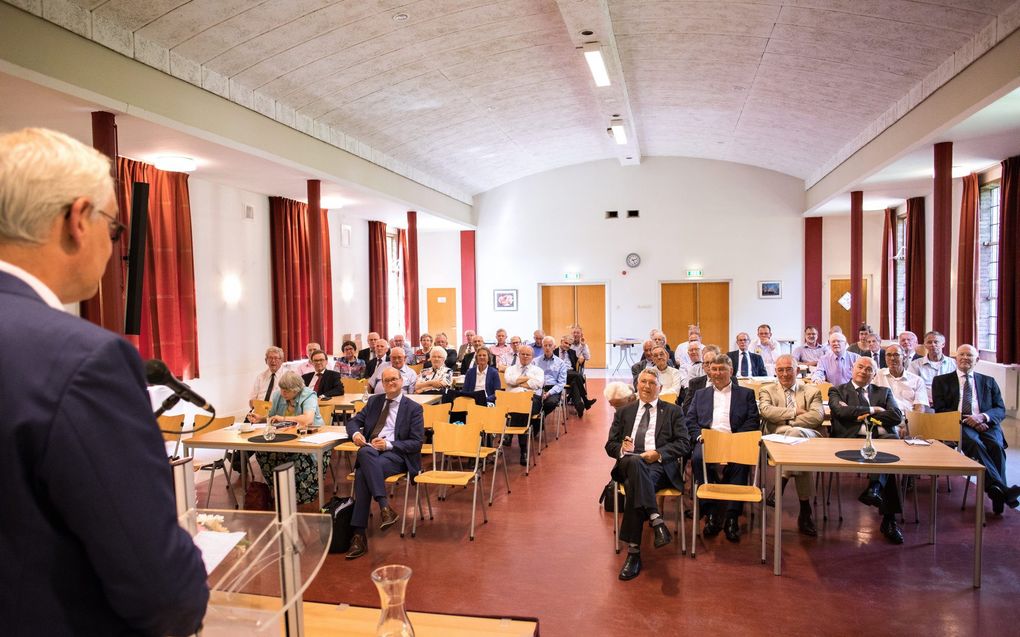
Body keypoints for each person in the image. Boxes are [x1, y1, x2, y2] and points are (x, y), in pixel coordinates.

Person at [0, 127, 208, 635]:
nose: (115, 247)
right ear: (77, 220)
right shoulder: (83, 360)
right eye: (114, 229)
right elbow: (163, 591)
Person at [605, 369, 691, 581]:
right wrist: (623, 449)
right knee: (634, 461)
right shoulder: (624, 412)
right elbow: (610, 445)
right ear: (637, 385)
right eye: (642, 381)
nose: (646, 386)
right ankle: (655, 518)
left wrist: (659, 453)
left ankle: (634, 553)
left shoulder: (673, 411)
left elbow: (683, 443)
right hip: (628, 462)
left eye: (652, 382)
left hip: (657, 466)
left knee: (635, 484)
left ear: (659, 388)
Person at [344, 367, 425, 560]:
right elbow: (353, 422)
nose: (390, 383)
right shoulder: (374, 402)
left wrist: (388, 444)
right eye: (386, 380)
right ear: (381, 384)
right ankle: (384, 507)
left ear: (402, 381)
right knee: (365, 453)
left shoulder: (413, 408)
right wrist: (356, 434)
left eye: (394, 379)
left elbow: (416, 442)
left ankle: (359, 534)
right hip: (371, 453)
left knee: (363, 470)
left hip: (396, 455)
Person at [932, 345, 1018, 515]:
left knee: (996, 447)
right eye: (961, 354)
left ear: (977, 360)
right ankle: (1001, 490)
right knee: (974, 443)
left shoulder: (988, 381)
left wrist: (982, 417)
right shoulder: (941, 381)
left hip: (987, 424)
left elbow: (1000, 409)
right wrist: (968, 419)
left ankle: (996, 492)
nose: (965, 358)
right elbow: (940, 410)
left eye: (969, 355)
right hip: (958, 423)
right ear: (955, 359)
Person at [828, 357, 904, 544]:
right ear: (852, 368)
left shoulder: (884, 392)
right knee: (887, 464)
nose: (863, 371)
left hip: (883, 437)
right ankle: (888, 516)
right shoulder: (838, 390)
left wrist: (861, 415)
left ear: (874, 374)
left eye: (868, 369)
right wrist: (874, 409)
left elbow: (896, 415)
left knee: (889, 451)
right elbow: (840, 412)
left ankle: (876, 490)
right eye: (860, 367)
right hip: (852, 439)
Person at [684, 354, 760, 542]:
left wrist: (735, 439)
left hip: (736, 439)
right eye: (714, 369)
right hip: (707, 440)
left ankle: (732, 516)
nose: (717, 373)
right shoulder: (700, 394)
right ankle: (710, 512)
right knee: (698, 459)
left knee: (740, 463)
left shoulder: (746, 394)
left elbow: (752, 421)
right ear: (709, 371)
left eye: (722, 369)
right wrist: (701, 436)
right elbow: (690, 420)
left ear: (731, 371)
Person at [757, 355, 824, 536]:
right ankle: (805, 510)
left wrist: (789, 425)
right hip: (776, 439)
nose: (785, 374)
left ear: (797, 370)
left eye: (789, 369)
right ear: (775, 372)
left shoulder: (811, 391)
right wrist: (794, 412)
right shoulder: (767, 390)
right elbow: (766, 412)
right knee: (801, 455)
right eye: (780, 370)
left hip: (807, 435)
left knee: (796, 439)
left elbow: (817, 416)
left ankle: (781, 483)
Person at [247, 370, 329, 503]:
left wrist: (283, 418)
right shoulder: (278, 395)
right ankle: (279, 489)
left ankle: (300, 495)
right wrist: (260, 419)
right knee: (262, 453)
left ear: (296, 390)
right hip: (285, 437)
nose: (283, 393)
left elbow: (307, 419)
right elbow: (273, 417)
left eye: (286, 391)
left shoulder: (308, 395)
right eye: (282, 389)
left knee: (295, 455)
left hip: (311, 439)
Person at [504, 345, 544, 465]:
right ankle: (523, 450)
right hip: (512, 399)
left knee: (523, 410)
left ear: (532, 357)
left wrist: (518, 383)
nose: (525, 356)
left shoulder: (538, 370)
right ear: (519, 355)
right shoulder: (510, 369)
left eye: (528, 355)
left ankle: (512, 437)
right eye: (523, 354)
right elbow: (509, 381)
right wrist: (527, 379)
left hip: (532, 399)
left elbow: (537, 384)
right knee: (521, 411)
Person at [872, 344, 927, 414]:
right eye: (888, 355)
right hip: (884, 418)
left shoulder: (917, 380)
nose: (892, 358)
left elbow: (920, 408)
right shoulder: (878, 375)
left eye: (896, 355)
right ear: (885, 358)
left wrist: (913, 422)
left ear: (904, 357)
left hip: (907, 419)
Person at [555, 335, 596, 416]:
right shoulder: (554, 352)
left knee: (575, 383)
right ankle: (585, 400)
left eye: (569, 344)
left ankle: (579, 405)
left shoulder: (572, 352)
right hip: (560, 375)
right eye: (565, 343)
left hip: (571, 374)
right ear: (561, 341)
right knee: (578, 376)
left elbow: (580, 361)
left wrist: (581, 359)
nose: (567, 345)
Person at [909, 330, 956, 398]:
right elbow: (911, 386)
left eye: (936, 342)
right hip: (925, 403)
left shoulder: (953, 363)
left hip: (948, 403)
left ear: (943, 344)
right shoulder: (915, 365)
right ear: (925, 345)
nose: (933, 345)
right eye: (929, 342)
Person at [534, 336, 569, 419]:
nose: (547, 348)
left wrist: (549, 393)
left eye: (550, 345)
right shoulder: (535, 361)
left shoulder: (561, 363)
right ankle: (537, 423)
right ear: (542, 347)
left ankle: (540, 419)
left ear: (554, 347)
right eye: (545, 345)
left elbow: (561, 383)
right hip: (538, 388)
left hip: (553, 389)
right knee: (532, 403)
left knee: (550, 403)